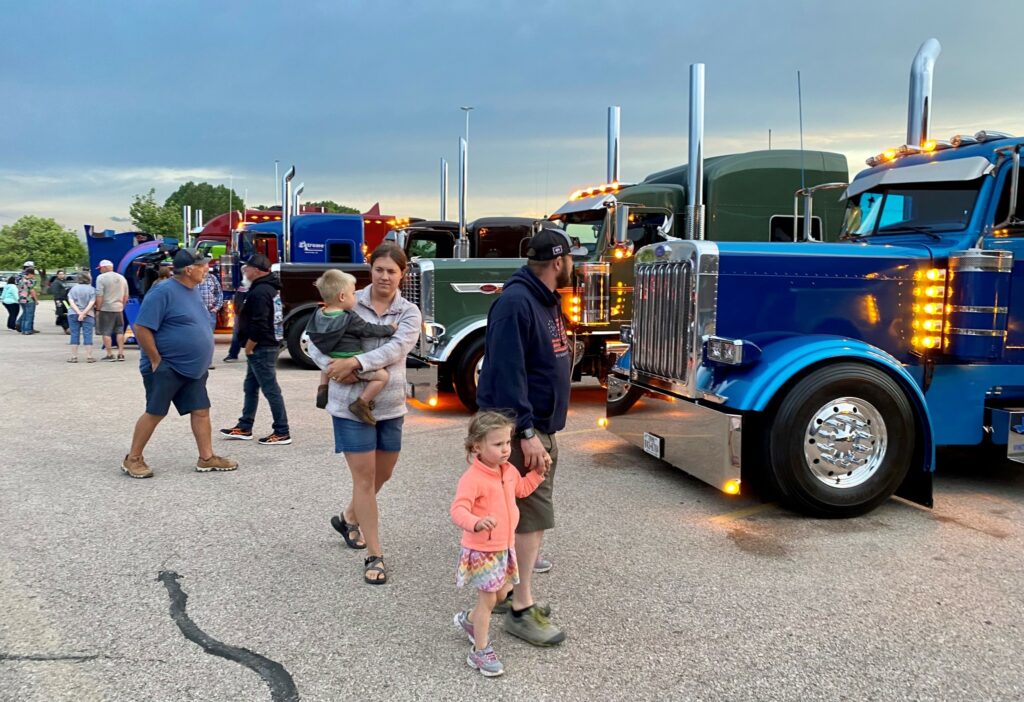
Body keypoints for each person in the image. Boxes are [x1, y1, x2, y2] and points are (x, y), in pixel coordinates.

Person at [475, 227, 581, 647]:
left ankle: (503, 591)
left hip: (536, 428)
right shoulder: (517, 303)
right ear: (559, 262)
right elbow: (504, 373)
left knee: (521, 517)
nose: (573, 265)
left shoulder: (542, 300)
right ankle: (521, 609)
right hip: (523, 433)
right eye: (571, 259)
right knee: (530, 520)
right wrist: (526, 431)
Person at [308, 243, 421, 585]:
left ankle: (347, 517)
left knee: (382, 475)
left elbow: (397, 347)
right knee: (365, 480)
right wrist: (331, 366)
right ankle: (375, 554)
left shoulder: (409, 312)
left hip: (389, 406)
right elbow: (313, 339)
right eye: (379, 269)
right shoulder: (347, 299)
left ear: (403, 274)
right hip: (349, 407)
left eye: (392, 271)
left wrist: (356, 362)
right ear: (369, 270)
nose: (385, 276)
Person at [121, 248, 238, 479]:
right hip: (168, 366)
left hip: (193, 369)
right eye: (202, 265)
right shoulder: (163, 292)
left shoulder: (192, 290)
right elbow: (143, 327)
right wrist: (156, 360)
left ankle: (206, 458)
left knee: (201, 411)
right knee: (155, 412)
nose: (206, 269)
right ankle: (132, 458)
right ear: (188, 269)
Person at [451, 411, 547, 677]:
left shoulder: (508, 471)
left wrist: (538, 474)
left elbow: (521, 490)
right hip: (483, 550)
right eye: (498, 444)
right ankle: (479, 652)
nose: (506, 449)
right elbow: (458, 509)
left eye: (507, 443)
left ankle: (468, 622)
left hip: (504, 547)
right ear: (477, 446)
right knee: (487, 603)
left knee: (502, 594)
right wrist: (475, 522)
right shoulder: (473, 478)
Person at [219, 254, 291, 445]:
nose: (245, 270)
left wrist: (250, 346)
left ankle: (282, 431)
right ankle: (244, 426)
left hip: (262, 346)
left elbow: (260, 322)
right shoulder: (269, 289)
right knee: (250, 387)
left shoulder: (260, 292)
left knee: (270, 389)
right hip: (265, 344)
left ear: (257, 271)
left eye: (247, 268)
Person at [306, 269, 395, 423]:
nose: (355, 297)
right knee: (382, 377)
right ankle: (362, 403)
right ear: (342, 296)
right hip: (350, 360)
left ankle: (323, 388)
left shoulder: (318, 314)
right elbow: (368, 330)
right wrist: (390, 329)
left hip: (332, 359)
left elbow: (312, 336)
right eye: (353, 293)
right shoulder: (348, 317)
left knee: (328, 367)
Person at [95, 259, 129, 361]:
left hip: (106, 308)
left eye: (100, 268)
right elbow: (126, 295)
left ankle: (109, 354)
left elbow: (99, 295)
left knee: (106, 332)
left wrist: (98, 309)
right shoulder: (122, 278)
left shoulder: (101, 278)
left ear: (105, 267)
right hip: (118, 308)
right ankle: (121, 353)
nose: (100, 270)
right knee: (119, 331)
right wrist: (122, 306)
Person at [66, 271, 97, 363]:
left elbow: (71, 302)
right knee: (88, 334)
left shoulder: (73, 289)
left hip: (73, 313)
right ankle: (89, 356)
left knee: (74, 334)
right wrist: (83, 313)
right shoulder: (92, 289)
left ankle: (74, 356)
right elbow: (92, 302)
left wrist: (79, 312)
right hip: (88, 314)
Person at [197, 265, 224, 369]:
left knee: (208, 338)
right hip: (197, 312)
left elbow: (219, 294)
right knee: (197, 337)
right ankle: (198, 362)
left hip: (210, 313)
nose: (206, 267)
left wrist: (216, 308)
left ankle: (208, 362)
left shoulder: (212, 278)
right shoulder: (194, 279)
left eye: (207, 266)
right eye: (204, 265)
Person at [222, 275, 250, 363]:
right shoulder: (244, 285)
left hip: (247, 313)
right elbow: (239, 299)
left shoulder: (249, 285)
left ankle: (235, 354)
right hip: (242, 314)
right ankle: (233, 354)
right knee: (237, 333)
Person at [16, 267, 39, 335]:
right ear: (30, 274)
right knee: (29, 315)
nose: (34, 275)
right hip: (29, 300)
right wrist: (36, 300)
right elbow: (32, 291)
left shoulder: (21, 280)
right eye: (33, 274)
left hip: (21, 299)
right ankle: (27, 330)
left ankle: (23, 329)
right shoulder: (30, 281)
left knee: (25, 315)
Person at [49, 270, 71, 334]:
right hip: (59, 300)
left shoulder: (64, 282)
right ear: (57, 275)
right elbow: (55, 292)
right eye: (60, 274)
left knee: (67, 311)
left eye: (63, 274)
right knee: (61, 313)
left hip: (65, 300)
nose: (61, 275)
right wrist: (58, 300)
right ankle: (66, 327)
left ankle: (60, 322)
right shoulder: (56, 282)